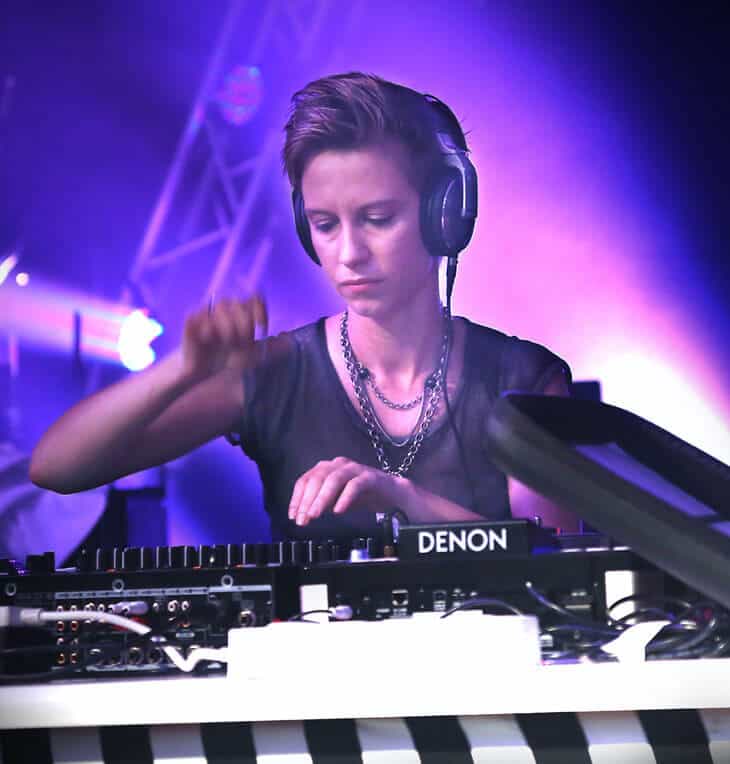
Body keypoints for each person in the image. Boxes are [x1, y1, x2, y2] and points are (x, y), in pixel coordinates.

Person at [29, 72, 577, 541]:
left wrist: (405, 500)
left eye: (378, 219)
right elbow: (57, 468)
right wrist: (183, 370)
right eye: (325, 225)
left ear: (444, 214)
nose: (349, 253)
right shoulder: (276, 373)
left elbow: (556, 559)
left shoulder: (522, 379)